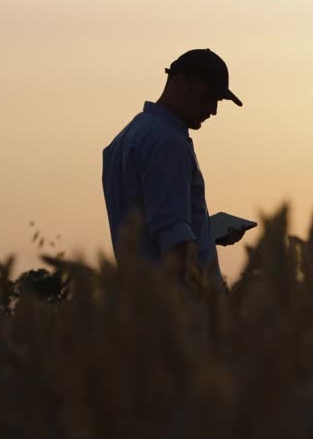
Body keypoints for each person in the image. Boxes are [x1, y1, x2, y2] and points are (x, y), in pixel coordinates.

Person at [101, 48, 250, 287]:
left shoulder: (123, 140)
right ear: (180, 83)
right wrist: (209, 304)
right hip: (178, 311)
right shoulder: (168, 142)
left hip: (142, 303)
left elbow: (148, 226)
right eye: (208, 96)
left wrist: (205, 235)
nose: (213, 110)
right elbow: (172, 236)